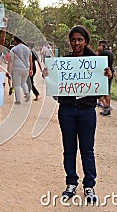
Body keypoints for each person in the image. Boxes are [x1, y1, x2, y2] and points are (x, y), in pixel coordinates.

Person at [44, 25, 112, 202]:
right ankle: (71, 182)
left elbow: (100, 88)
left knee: (87, 149)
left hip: (87, 110)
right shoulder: (63, 63)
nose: (76, 43)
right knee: (69, 148)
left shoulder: (96, 63)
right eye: (73, 39)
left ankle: (89, 185)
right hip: (66, 109)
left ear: (86, 41)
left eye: (80, 39)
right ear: (70, 41)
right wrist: (48, 76)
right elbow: (56, 89)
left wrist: (107, 76)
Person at [7, 36, 32, 104]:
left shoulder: (14, 49)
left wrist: (8, 70)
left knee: (17, 84)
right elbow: (30, 60)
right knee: (23, 82)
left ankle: (18, 100)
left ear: (15, 41)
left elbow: (11, 60)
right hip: (26, 68)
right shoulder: (27, 49)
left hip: (16, 68)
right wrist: (31, 69)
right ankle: (27, 93)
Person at [96, 40, 114, 116]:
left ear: (103, 46)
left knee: (100, 91)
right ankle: (107, 106)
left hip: (104, 74)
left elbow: (97, 62)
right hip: (110, 73)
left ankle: (105, 106)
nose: (98, 47)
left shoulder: (103, 53)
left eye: (99, 45)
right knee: (107, 91)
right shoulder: (110, 53)